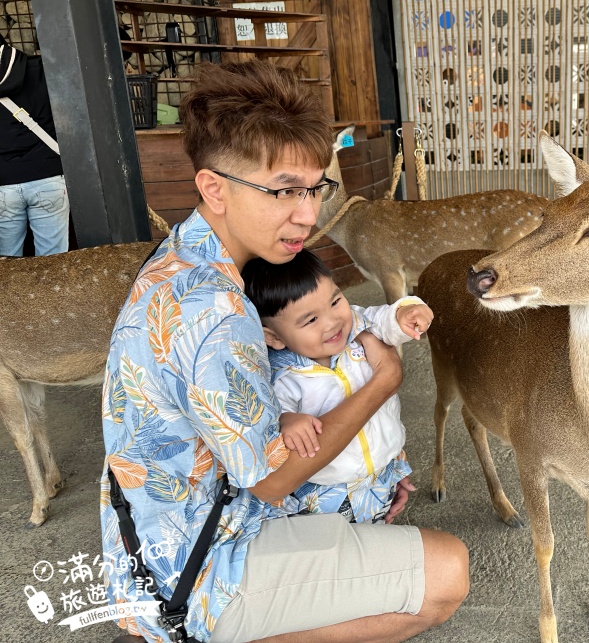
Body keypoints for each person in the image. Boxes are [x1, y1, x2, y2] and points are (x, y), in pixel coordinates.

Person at [99, 60, 468, 643]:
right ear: (213, 187)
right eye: (284, 191)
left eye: (314, 188)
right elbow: (271, 480)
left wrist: (368, 477)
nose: (307, 213)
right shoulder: (214, 311)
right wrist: (382, 384)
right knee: (446, 572)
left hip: (170, 528)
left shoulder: (183, 258)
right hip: (199, 563)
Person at [242, 250, 433, 524]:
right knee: (346, 544)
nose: (333, 322)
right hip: (331, 492)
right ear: (273, 336)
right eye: (310, 320)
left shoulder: (357, 326)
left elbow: (387, 319)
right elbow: (272, 416)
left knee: (382, 521)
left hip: (385, 468)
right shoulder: (282, 377)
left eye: (335, 301)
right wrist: (287, 419)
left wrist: (407, 311)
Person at [0, 35, 69, 256]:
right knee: (54, 264)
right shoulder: (41, 68)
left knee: (6, 270)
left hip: (3, 184)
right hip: (48, 177)